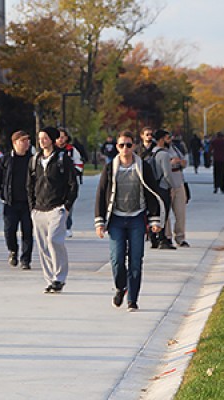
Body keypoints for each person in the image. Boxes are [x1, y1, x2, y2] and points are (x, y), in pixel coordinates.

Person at [94, 130, 164, 311]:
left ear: (134, 146)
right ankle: (120, 287)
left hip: (136, 219)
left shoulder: (142, 167)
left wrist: (155, 220)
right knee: (116, 259)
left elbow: (152, 193)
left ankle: (133, 299)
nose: (125, 148)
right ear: (116, 147)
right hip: (116, 219)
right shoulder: (110, 168)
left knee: (135, 260)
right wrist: (99, 221)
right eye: (121, 145)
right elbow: (101, 194)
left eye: (128, 145)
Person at [27, 127, 78, 293]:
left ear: (53, 140)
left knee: (54, 240)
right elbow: (29, 185)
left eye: (46, 138)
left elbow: (72, 184)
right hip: (39, 209)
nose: (42, 141)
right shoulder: (35, 160)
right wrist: (32, 207)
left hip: (57, 208)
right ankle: (50, 280)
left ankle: (60, 277)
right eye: (40, 138)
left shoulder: (63, 159)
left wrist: (67, 206)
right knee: (42, 246)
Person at [0, 130, 33, 269]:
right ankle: (13, 251)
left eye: (28, 140)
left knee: (27, 231)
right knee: (9, 231)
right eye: (23, 140)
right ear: (15, 143)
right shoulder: (5, 160)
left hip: (28, 203)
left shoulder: (33, 159)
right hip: (10, 202)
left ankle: (25, 259)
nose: (26, 143)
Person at [149, 129, 176, 250]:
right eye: (167, 138)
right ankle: (162, 239)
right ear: (161, 140)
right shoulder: (164, 155)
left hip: (152, 187)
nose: (169, 141)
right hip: (163, 187)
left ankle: (153, 238)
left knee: (154, 213)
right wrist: (173, 186)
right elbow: (167, 174)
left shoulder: (151, 153)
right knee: (163, 214)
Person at [56, 128, 83, 238]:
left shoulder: (72, 150)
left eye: (62, 137)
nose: (60, 140)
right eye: (58, 137)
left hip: (68, 182)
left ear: (67, 138)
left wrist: (71, 173)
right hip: (55, 183)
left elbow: (79, 165)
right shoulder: (52, 150)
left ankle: (67, 226)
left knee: (68, 205)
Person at [164, 133, 190, 247]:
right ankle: (167, 236)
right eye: (167, 138)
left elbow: (184, 161)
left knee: (180, 212)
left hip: (179, 182)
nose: (170, 140)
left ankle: (180, 237)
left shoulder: (175, 148)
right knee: (166, 213)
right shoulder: (159, 151)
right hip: (166, 184)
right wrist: (170, 163)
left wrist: (181, 162)